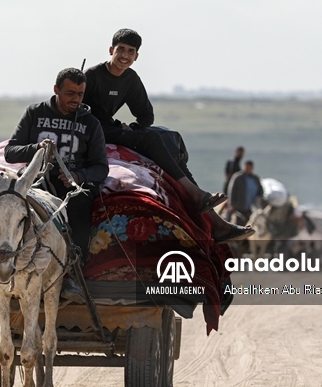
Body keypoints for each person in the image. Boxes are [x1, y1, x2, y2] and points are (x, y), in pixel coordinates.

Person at [83, 28, 251, 242]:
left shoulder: (130, 78)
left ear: (136, 56)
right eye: (121, 50)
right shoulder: (92, 76)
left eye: (130, 51)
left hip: (112, 129)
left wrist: (132, 129)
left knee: (168, 141)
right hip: (94, 133)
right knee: (153, 139)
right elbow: (75, 111)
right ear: (111, 50)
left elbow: (146, 116)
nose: (124, 56)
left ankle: (216, 222)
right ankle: (198, 196)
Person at [4, 68, 108, 263]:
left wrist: (78, 177)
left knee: (80, 205)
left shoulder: (91, 123)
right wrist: (36, 149)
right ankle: (7, 260)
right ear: (56, 90)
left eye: (80, 94)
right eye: (70, 93)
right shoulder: (34, 113)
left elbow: (101, 168)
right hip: (36, 182)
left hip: (73, 187)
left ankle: (74, 271)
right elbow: (10, 153)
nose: (76, 99)